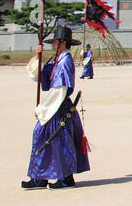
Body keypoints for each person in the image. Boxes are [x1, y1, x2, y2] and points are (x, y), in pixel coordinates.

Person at [22, 25, 90, 190]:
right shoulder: (56, 60)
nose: (53, 45)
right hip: (53, 107)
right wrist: (38, 57)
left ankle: (65, 177)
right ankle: (40, 176)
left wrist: (42, 109)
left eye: (55, 43)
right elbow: (40, 76)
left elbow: (60, 90)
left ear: (62, 43)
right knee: (41, 136)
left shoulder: (65, 61)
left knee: (59, 141)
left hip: (58, 108)